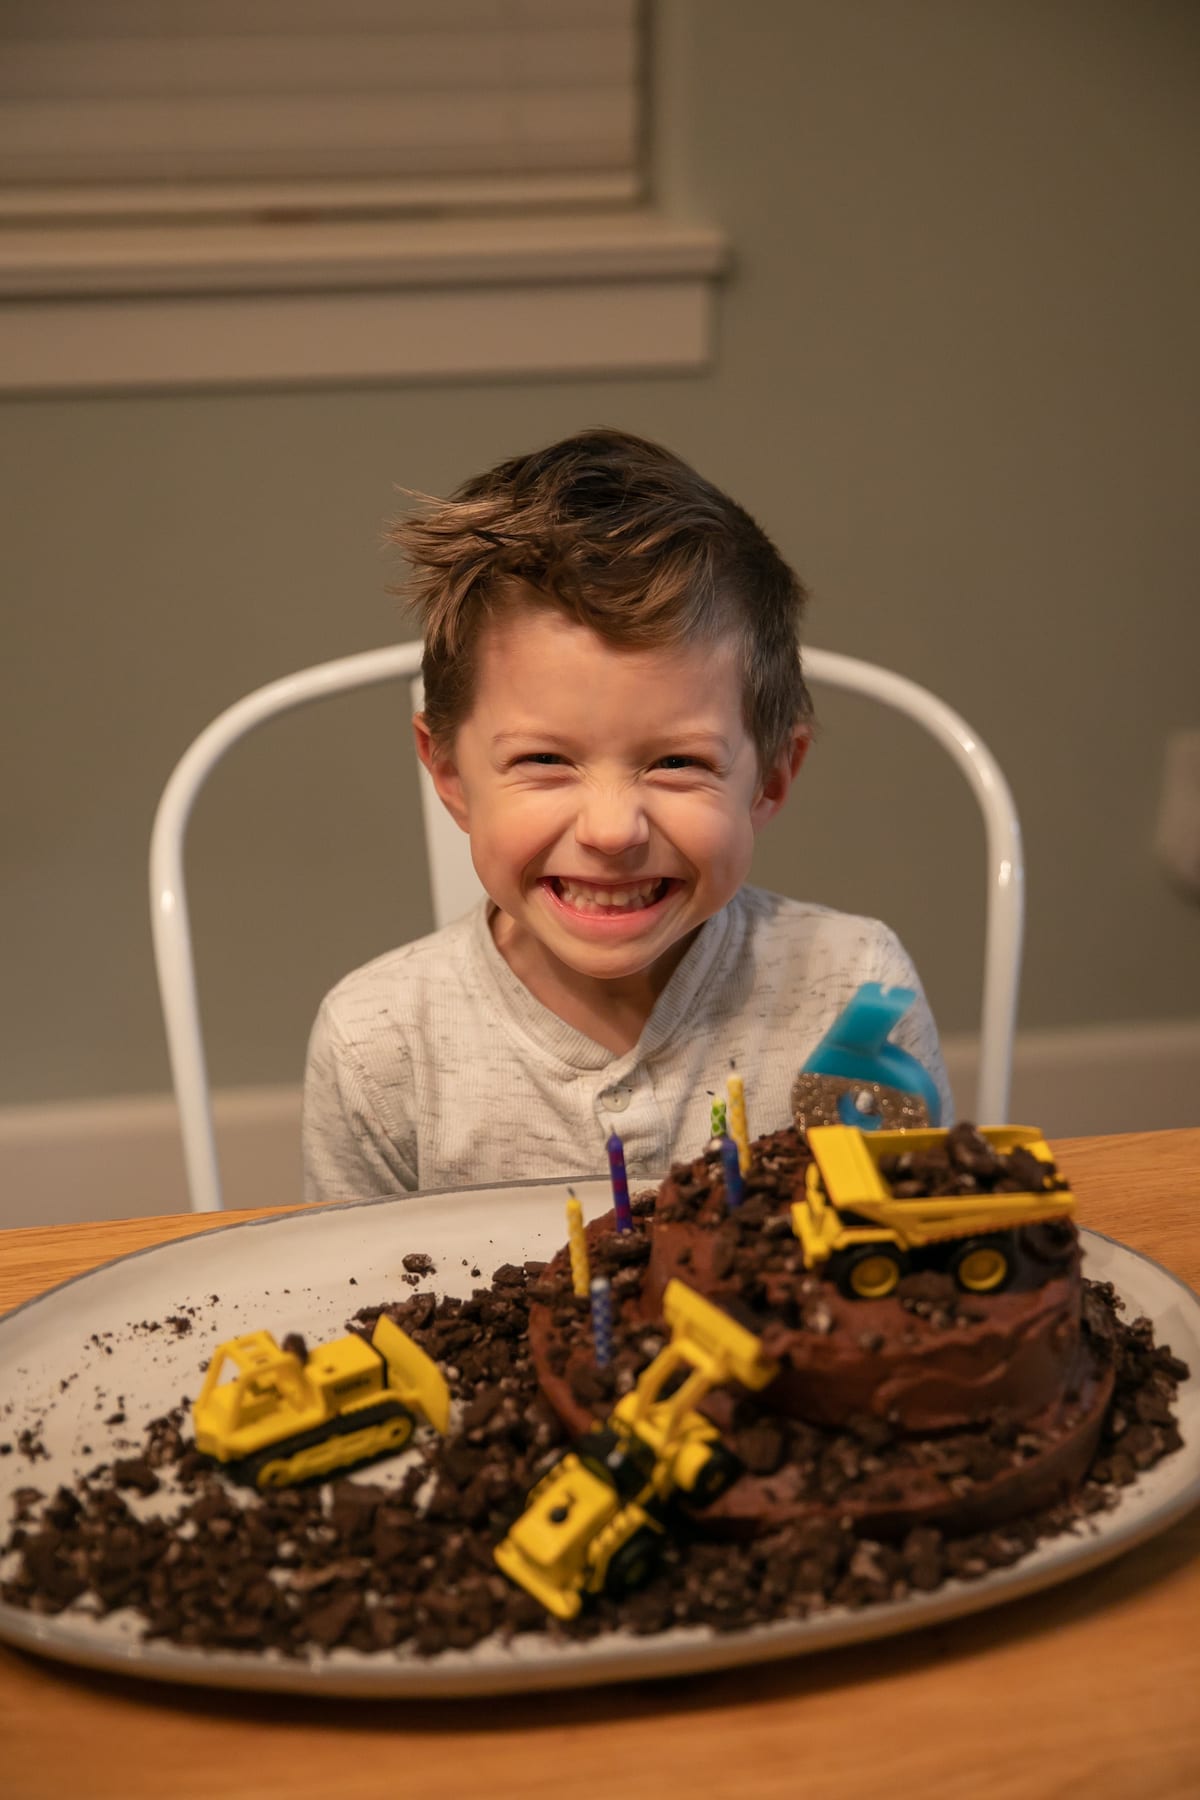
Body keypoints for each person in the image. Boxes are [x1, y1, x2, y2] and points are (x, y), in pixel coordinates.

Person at [302, 428, 951, 1200]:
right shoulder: (378, 1046)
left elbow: (916, 1261)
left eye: (678, 763)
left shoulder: (855, 993)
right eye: (545, 761)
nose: (612, 831)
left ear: (772, 778)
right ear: (449, 771)